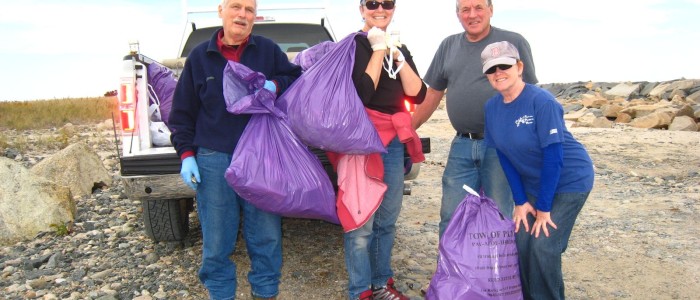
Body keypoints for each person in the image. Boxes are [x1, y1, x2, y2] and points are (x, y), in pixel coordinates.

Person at [167, 0, 302, 299]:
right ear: (221, 10)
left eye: (249, 9)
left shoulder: (267, 50)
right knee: (216, 241)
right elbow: (182, 113)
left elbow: (295, 77)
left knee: (266, 236)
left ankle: (265, 293)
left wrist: (274, 86)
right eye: (236, 6)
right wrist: (187, 155)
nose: (242, 14)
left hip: (261, 158)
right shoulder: (200, 57)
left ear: (255, 17)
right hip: (214, 159)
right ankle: (220, 294)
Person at [411, 0, 538, 238]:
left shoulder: (514, 42)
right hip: (462, 145)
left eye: (479, 7)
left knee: (499, 214)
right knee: (451, 215)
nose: (472, 15)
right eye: (465, 9)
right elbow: (432, 95)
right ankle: (450, 275)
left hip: (501, 147)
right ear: (457, 14)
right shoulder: (448, 45)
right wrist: (408, 129)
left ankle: (497, 274)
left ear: (491, 10)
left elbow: (530, 95)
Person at [481, 41, 594, 300]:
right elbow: (503, 155)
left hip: (568, 181)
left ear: (519, 67)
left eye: (504, 66)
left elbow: (554, 157)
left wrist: (543, 208)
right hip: (533, 184)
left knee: (544, 246)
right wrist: (520, 201)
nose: (498, 72)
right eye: (491, 69)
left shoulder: (542, 102)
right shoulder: (491, 108)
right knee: (521, 242)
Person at [342, 1, 427, 299]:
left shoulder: (397, 47)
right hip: (361, 141)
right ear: (361, 8)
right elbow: (362, 92)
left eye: (387, 3)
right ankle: (360, 291)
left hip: (391, 142)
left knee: (387, 218)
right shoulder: (354, 45)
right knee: (361, 219)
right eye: (372, 3)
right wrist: (377, 49)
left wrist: (398, 56)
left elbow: (418, 93)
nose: (381, 8)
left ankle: (381, 285)